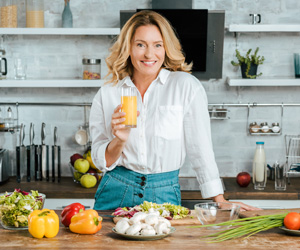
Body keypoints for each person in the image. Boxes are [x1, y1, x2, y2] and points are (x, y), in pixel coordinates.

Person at [89, 10, 260, 211]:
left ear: (166, 48)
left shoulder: (186, 86)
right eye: (140, 44)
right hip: (115, 191)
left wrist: (219, 200)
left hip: (163, 192)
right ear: (128, 48)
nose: (149, 54)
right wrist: (119, 140)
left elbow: (201, 149)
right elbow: (102, 161)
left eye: (157, 45)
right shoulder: (108, 93)